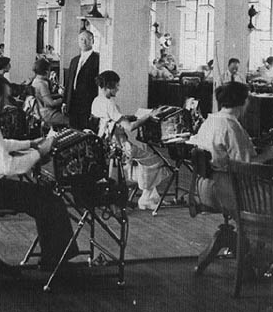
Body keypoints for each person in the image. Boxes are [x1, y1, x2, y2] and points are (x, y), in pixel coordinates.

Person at [0, 75, 77, 269]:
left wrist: (30, 144)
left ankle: (52, 256)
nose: (7, 102)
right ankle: (55, 259)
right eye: (6, 97)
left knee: (42, 197)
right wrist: (40, 152)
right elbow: (7, 167)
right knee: (49, 199)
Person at [189, 82, 273, 215]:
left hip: (204, 188)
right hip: (227, 191)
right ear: (244, 101)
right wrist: (268, 154)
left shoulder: (210, 121)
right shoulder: (231, 126)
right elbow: (246, 166)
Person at [91, 71, 169, 210]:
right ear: (109, 86)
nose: (118, 88)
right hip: (120, 146)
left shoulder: (97, 101)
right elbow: (130, 127)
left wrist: (131, 117)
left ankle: (151, 196)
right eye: (117, 85)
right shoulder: (110, 103)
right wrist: (149, 116)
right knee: (156, 162)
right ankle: (146, 198)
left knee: (142, 163)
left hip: (105, 144)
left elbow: (111, 120)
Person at [64, 30, 99, 130]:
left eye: (87, 39)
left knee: (85, 132)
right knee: (73, 131)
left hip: (87, 104)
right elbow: (69, 83)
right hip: (72, 103)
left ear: (92, 41)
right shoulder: (74, 60)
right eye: (81, 39)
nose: (84, 42)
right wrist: (65, 101)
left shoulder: (97, 60)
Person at [31, 58, 66, 129]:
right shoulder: (41, 84)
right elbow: (51, 103)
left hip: (39, 111)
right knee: (71, 121)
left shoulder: (35, 81)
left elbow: (45, 96)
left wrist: (59, 95)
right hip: (46, 113)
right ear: (46, 71)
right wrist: (64, 99)